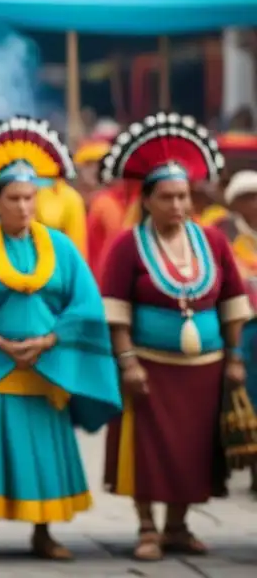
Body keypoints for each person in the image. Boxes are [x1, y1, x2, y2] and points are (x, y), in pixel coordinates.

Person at [0, 115, 121, 563]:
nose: (23, 207)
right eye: (14, 198)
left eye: (30, 197)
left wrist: (50, 340)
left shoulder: (61, 248)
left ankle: (43, 530)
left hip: (46, 364)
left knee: (44, 450)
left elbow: (85, 303)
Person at [98, 113, 252, 561]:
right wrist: (127, 361)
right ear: (147, 200)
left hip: (204, 371)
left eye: (184, 196)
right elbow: (116, 308)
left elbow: (233, 302)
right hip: (149, 366)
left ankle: (178, 526)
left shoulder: (213, 241)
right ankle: (147, 527)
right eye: (167, 198)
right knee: (146, 449)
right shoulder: (128, 245)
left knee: (193, 451)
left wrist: (236, 356)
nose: (178, 206)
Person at [211, 169, 257, 493]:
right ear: (236, 202)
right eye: (249, 197)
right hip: (240, 326)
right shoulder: (223, 233)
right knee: (242, 398)